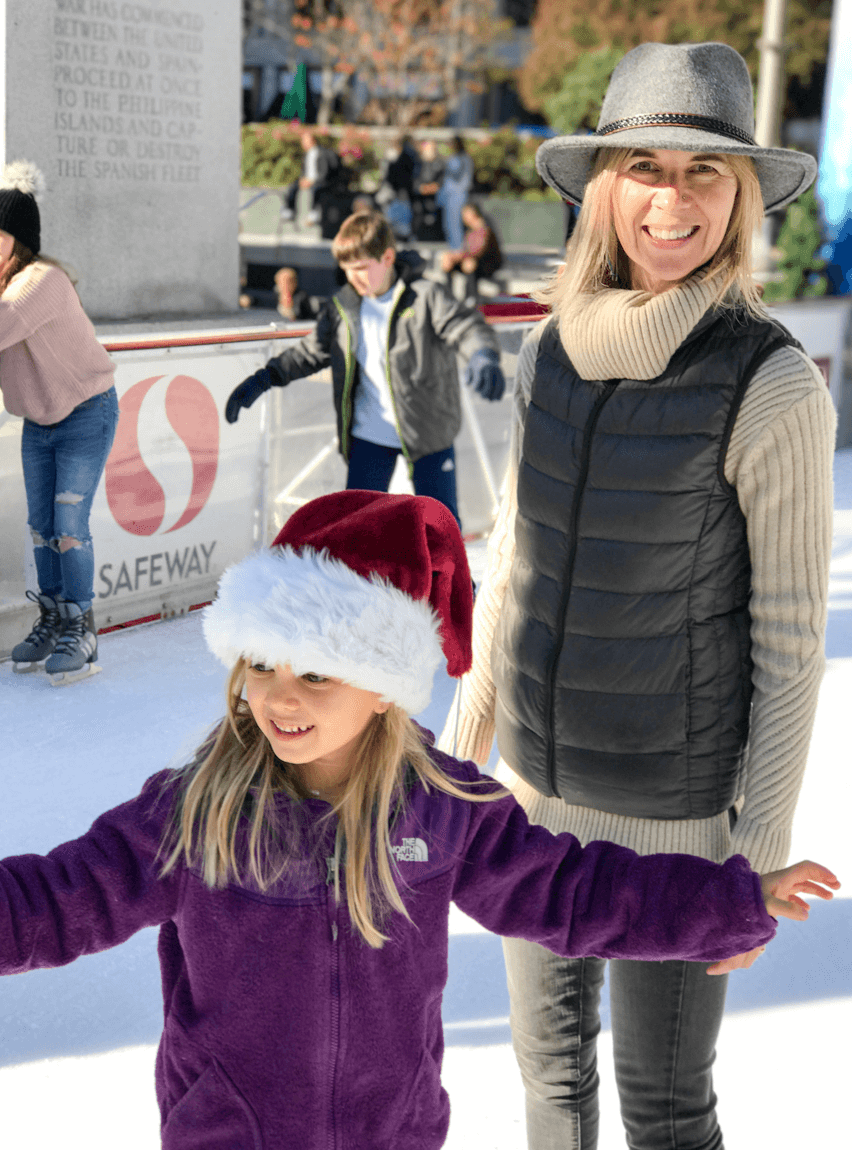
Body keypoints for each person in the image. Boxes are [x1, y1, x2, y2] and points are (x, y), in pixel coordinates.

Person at [0, 488, 838, 1149]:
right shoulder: (197, 814)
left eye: (319, 674)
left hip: (392, 1134)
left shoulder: (442, 808)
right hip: (231, 1135)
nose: (280, 697)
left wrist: (729, 902)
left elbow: (574, 892)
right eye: (261, 665)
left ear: (384, 688)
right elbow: (56, 901)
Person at [442, 41, 837, 1150]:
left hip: (674, 830)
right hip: (525, 803)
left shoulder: (768, 381)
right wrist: (455, 762)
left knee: (664, 1110)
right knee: (549, 1081)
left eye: (704, 171)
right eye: (645, 167)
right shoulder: (550, 356)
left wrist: (754, 857)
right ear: (603, 187)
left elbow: (789, 640)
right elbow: (512, 562)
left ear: (743, 194)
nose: (672, 199)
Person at [225, 211, 506, 526]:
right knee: (357, 528)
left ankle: (459, 579)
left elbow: (464, 326)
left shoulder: (425, 297)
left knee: (442, 528)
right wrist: (262, 380)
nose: (353, 278)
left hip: (428, 433)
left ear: (387, 258)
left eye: (360, 268)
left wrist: (482, 354)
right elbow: (309, 352)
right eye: (346, 269)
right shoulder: (344, 307)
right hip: (368, 437)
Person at [0, 161, 118, 682]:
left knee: (69, 526)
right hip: (39, 423)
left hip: (85, 415)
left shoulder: (41, 281)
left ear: (19, 242)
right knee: (41, 527)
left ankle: (82, 630)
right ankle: (51, 620)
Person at [440, 201, 503, 303]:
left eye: (465, 214)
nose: (463, 217)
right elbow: (467, 250)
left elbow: (478, 252)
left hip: (487, 264)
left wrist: (459, 256)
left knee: (469, 263)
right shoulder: (470, 231)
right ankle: (448, 296)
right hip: (473, 260)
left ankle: (471, 297)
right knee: (447, 259)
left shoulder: (484, 229)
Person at [281, 128, 342, 227]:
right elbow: (304, 171)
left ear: (312, 141)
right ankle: (290, 210)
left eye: (304, 141)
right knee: (293, 186)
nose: (303, 143)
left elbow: (324, 172)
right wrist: (303, 179)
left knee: (316, 190)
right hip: (308, 179)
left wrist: (312, 181)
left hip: (320, 181)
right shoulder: (306, 154)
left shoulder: (322, 153)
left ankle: (313, 214)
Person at [436, 135, 473, 250]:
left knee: (455, 224)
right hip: (449, 195)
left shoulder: (463, 158)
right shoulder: (456, 157)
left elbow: (456, 174)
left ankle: (457, 249)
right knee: (448, 224)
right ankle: (453, 249)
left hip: (457, 195)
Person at [413, 137, 446, 241]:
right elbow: (415, 183)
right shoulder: (417, 163)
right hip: (419, 203)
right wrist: (422, 188)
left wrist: (430, 188)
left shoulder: (441, 163)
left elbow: (441, 183)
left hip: (436, 202)